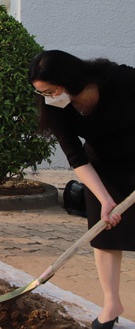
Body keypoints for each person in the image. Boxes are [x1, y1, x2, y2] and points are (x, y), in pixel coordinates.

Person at [29, 50, 135, 329]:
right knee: (105, 234)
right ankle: (112, 304)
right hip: (103, 167)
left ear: (68, 79)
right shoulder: (56, 107)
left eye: (51, 91)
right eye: (43, 94)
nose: (48, 98)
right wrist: (104, 199)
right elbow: (76, 157)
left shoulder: (118, 79)